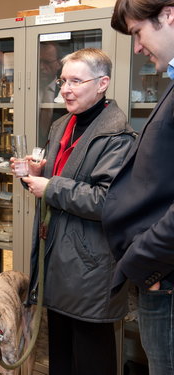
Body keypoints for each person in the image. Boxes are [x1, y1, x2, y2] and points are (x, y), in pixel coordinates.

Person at [13, 48, 135, 375]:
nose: (65, 89)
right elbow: (65, 177)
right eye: (63, 80)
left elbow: (106, 200)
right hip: (57, 257)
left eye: (76, 81)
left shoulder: (118, 136)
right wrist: (40, 172)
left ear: (102, 84)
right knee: (61, 354)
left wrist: (49, 186)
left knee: (92, 357)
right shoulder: (62, 124)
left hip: (90, 265)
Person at [104, 1, 174, 373]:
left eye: (137, 33)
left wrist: (142, 260)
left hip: (164, 278)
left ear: (168, 15)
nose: (136, 48)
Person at [38, 42, 63, 145]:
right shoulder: (27, 92)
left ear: (58, 64)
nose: (41, 67)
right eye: (38, 62)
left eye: (46, 62)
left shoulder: (65, 91)